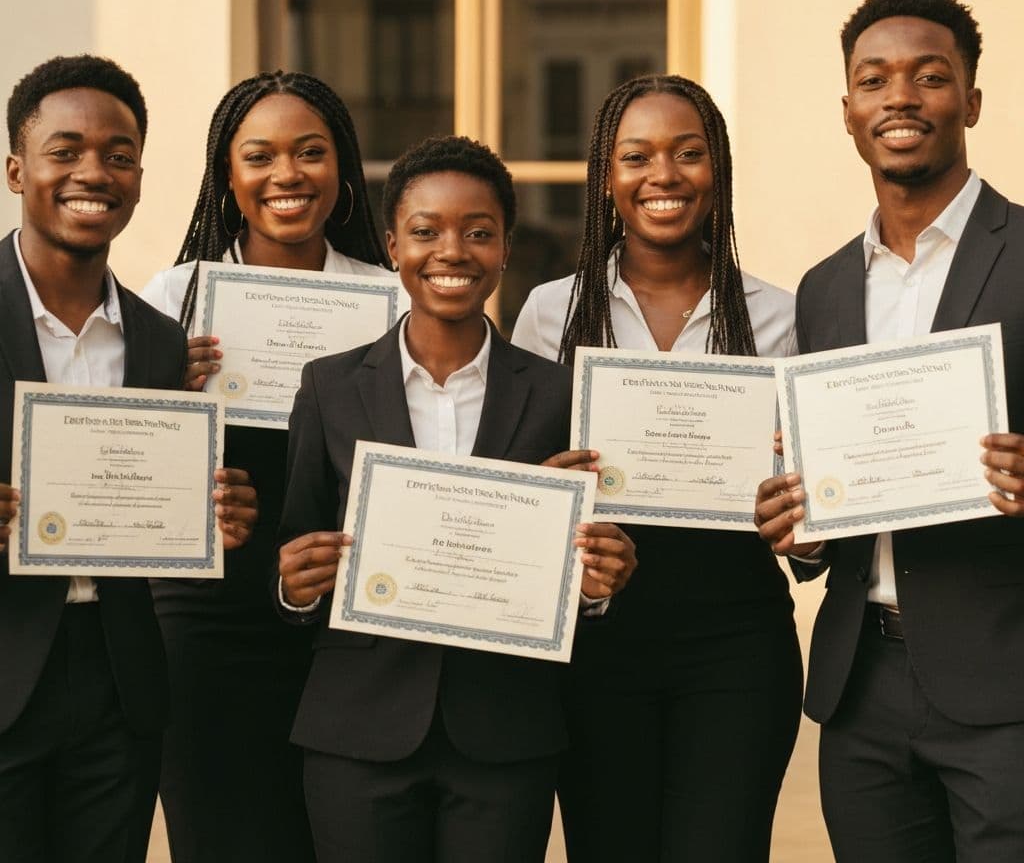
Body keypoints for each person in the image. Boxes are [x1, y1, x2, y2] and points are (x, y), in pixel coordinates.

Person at [276, 134, 637, 863]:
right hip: (358, 730)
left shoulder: (560, 393)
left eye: (479, 233)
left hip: (506, 734)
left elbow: (580, 563)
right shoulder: (329, 386)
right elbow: (292, 544)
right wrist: (291, 586)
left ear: (506, 249)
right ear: (392, 246)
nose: (453, 252)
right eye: (426, 231)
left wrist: (599, 584)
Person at [754, 0, 1024, 862]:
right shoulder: (825, 287)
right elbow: (831, 500)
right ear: (848, 111)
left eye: (929, 76)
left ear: (972, 100)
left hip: (1006, 681)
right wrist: (799, 529)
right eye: (874, 80)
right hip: (861, 687)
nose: (900, 98)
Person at [513, 74, 803, 862]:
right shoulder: (551, 311)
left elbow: (812, 527)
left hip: (737, 642)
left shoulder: (780, 315)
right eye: (636, 156)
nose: (663, 176)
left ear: (720, 170)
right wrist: (545, 488)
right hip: (597, 644)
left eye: (688, 154)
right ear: (607, 178)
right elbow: (519, 486)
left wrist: (801, 520)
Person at [0, 55, 255, 863]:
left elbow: (154, 495)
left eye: (118, 155)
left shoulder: (157, 339)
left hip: (119, 683)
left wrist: (210, 513)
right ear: (16, 169)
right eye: (65, 150)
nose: (93, 173)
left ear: (140, 177)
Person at [141, 70, 396, 863]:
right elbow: (125, 476)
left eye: (311, 153)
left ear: (343, 169)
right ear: (229, 176)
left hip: (348, 628)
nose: (287, 175)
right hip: (207, 627)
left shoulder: (390, 300)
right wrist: (164, 395)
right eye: (260, 156)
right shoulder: (175, 298)